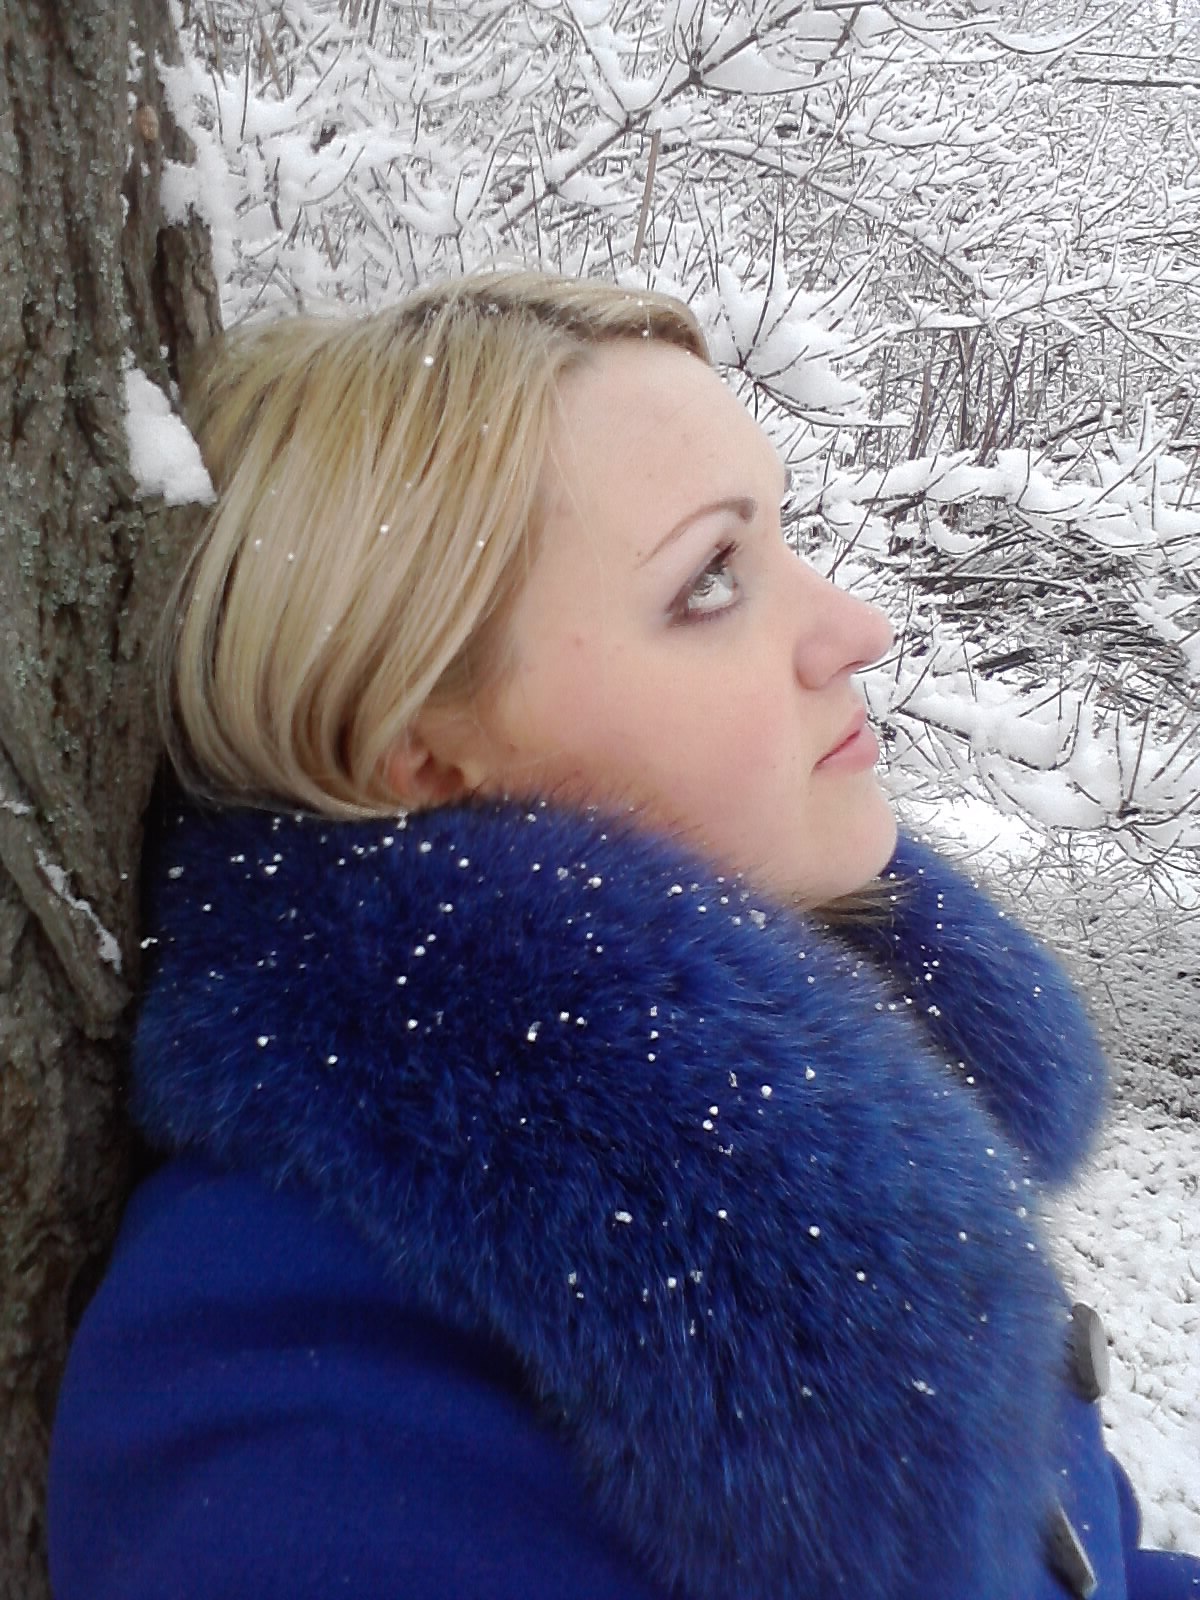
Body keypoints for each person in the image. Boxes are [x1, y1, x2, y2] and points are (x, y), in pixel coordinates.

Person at [48, 271, 1199, 1599]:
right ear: (416, 744)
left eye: (782, 538)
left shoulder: (833, 1114)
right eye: (711, 580)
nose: (855, 628)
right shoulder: (312, 1420)